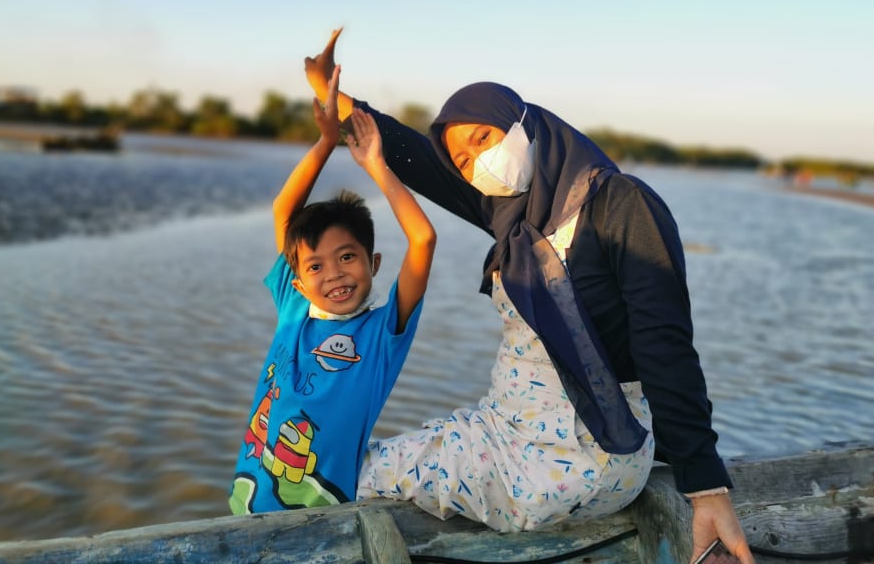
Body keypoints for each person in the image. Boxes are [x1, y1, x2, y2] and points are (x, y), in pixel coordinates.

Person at [303, 29, 754, 564]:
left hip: (578, 453)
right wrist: (331, 93)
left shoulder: (619, 204)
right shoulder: (512, 218)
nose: (479, 163)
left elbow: (666, 346)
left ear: (525, 123)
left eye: (483, 138)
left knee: (351, 475)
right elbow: (417, 158)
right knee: (351, 459)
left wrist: (705, 488)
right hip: (507, 430)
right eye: (465, 162)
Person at [229, 66, 437, 514]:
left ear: (373, 263)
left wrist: (376, 167)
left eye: (347, 257)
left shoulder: (383, 334)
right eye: (317, 266)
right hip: (247, 503)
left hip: (323, 517)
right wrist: (325, 142)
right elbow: (284, 210)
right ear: (299, 280)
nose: (334, 275)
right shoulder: (294, 306)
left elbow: (422, 240)